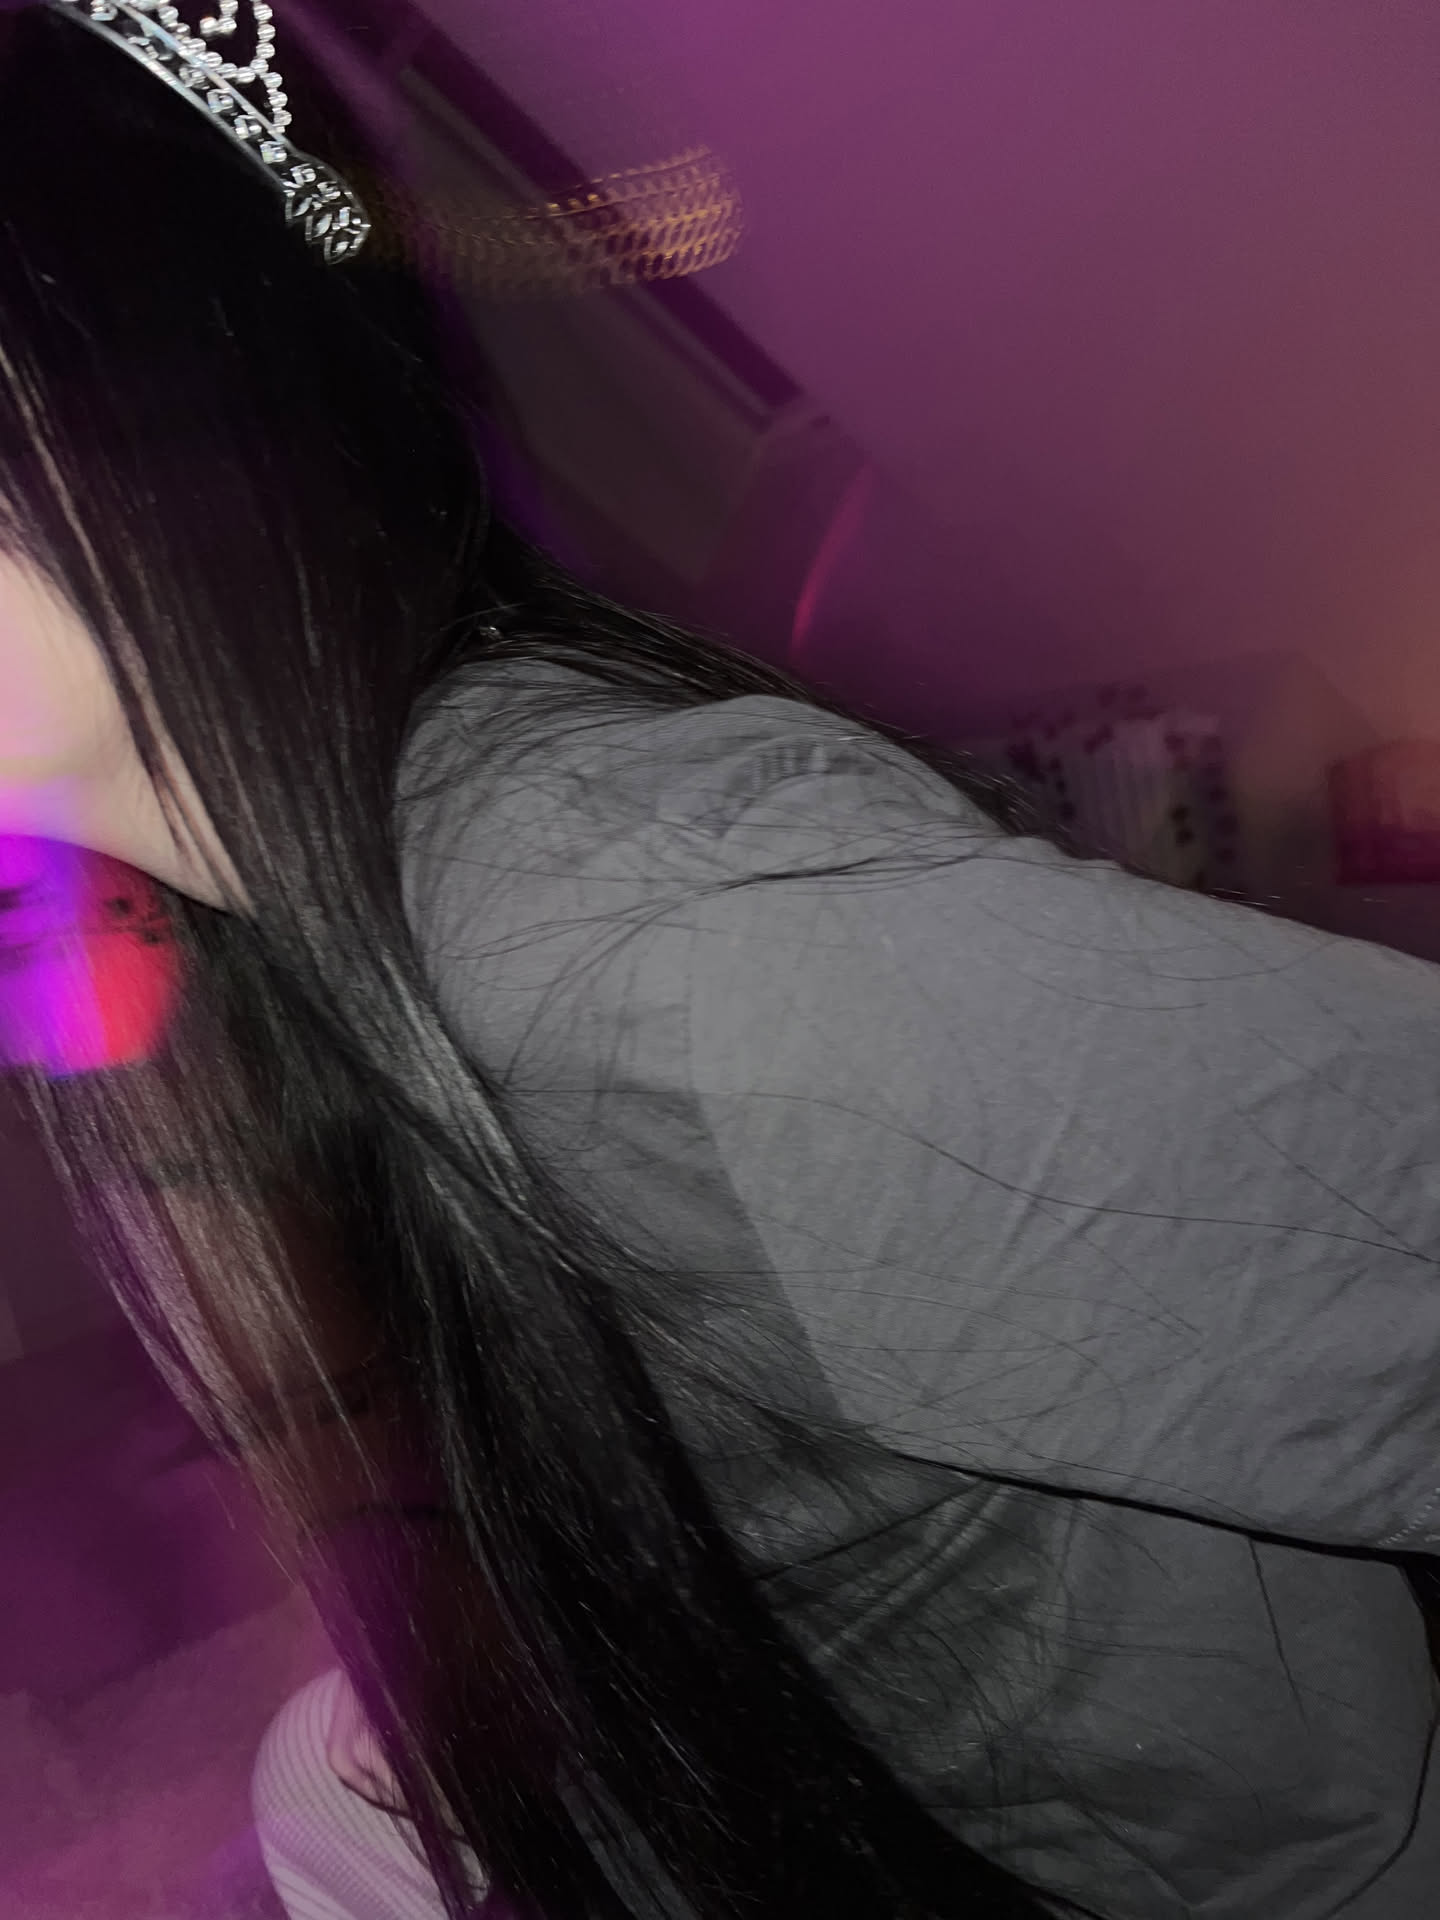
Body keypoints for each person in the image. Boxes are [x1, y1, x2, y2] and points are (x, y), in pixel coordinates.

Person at [2, 5, 1440, 1918]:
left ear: (141, 403)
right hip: (841, 1762)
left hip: (1161, 1871)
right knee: (321, 1791)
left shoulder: (638, 942)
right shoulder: (286, 956)